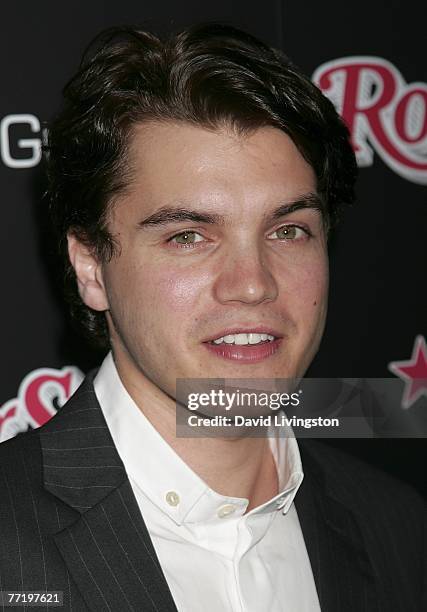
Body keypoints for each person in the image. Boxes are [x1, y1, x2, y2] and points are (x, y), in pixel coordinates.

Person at [0, 23, 425, 612]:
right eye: (189, 236)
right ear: (92, 267)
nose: (253, 283)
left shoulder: (398, 528)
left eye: (287, 230)